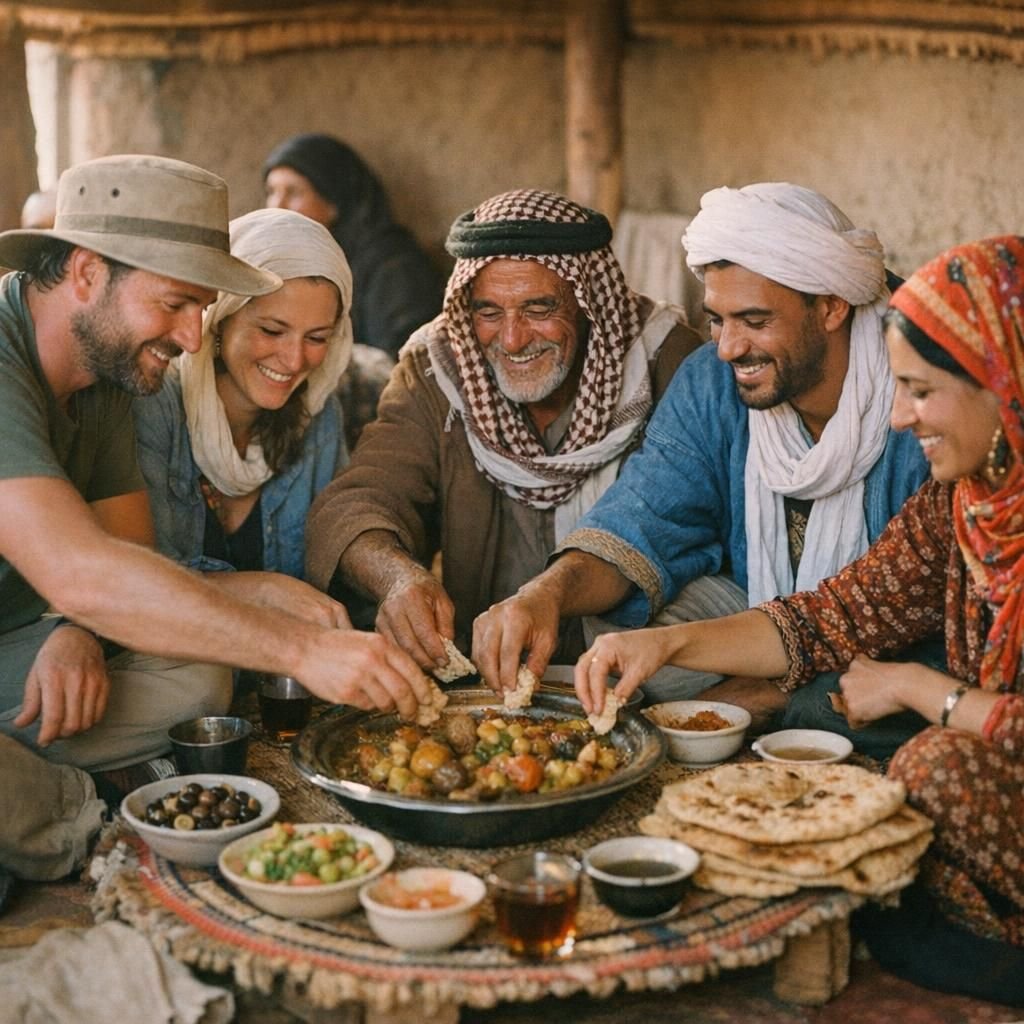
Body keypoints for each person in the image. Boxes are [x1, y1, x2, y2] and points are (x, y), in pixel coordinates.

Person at [574, 235, 1024, 1004]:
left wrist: (919, 689)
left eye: (921, 391)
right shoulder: (963, 502)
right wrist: (661, 642)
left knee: (928, 771)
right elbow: (827, 617)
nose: (898, 418)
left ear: (1002, 383)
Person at [0, 155, 432, 841]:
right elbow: (82, 572)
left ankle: (60, 793)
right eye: (176, 303)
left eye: (203, 308)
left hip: (22, 640)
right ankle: (65, 808)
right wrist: (300, 651)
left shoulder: (108, 376)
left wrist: (71, 626)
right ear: (86, 273)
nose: (192, 338)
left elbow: (130, 559)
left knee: (200, 681)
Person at [474, 183, 930, 741]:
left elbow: (915, 608)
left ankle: (779, 698)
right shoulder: (712, 381)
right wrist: (542, 594)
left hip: (895, 632)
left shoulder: (917, 399)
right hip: (773, 615)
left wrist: (772, 689)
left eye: (755, 321)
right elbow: (642, 518)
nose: (729, 347)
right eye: (717, 320)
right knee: (621, 644)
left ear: (832, 306)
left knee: (835, 702)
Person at [305, 188, 703, 674]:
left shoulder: (666, 362)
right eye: (489, 312)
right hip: (492, 679)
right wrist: (398, 578)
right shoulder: (437, 372)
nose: (512, 340)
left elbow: (664, 518)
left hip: (641, 670)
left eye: (538, 309)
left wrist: (550, 595)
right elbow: (359, 499)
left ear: (588, 301)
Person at [133, 207, 351, 580]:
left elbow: (338, 554)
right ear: (219, 320)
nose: (294, 359)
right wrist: (263, 592)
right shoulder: (156, 405)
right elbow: (139, 582)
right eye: (270, 330)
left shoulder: (319, 415)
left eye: (316, 338)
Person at [263, 132, 443, 358]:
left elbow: (407, 365)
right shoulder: (290, 266)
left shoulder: (394, 265)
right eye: (271, 192)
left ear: (333, 202)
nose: (277, 206)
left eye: (294, 192)